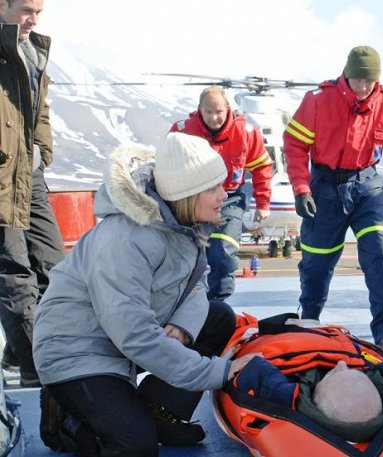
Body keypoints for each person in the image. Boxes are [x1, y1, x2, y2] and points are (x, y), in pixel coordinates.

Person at [33, 133, 257, 456]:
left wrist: (182, 325)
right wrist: (217, 373)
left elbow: (197, 280)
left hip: (118, 342)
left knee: (218, 317)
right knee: (134, 445)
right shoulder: (125, 239)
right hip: (76, 352)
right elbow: (136, 336)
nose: (224, 195)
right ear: (186, 194)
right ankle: (63, 418)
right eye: (213, 189)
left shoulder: (182, 222)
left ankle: (158, 411)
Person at [283, 45, 383, 351]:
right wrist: (302, 189)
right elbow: (294, 147)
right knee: (317, 262)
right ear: (346, 74)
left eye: (369, 81)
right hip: (325, 187)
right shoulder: (318, 101)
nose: (362, 86)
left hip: (368, 188)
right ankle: (310, 321)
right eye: (357, 79)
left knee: (382, 255)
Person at [0, 0, 65, 388]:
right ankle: (33, 366)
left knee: (57, 268)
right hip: (2, 174)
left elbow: (40, 110)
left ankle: (17, 351)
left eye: (39, 11)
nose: (34, 19)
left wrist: (45, 149)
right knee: (14, 272)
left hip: (31, 174)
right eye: (26, 9)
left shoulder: (33, 48)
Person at [170, 86, 273, 300]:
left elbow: (262, 167)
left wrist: (263, 203)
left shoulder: (246, 133)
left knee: (223, 254)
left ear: (227, 109)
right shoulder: (182, 131)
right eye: (208, 112)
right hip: (194, 201)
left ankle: (218, 303)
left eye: (219, 112)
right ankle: (186, 303)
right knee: (188, 254)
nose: (214, 117)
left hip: (230, 198)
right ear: (199, 110)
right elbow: (166, 166)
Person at [234, 357, 383, 442]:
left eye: (333, 374)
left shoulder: (284, 395)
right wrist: (374, 365)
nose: (341, 363)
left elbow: (255, 366)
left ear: (313, 399)